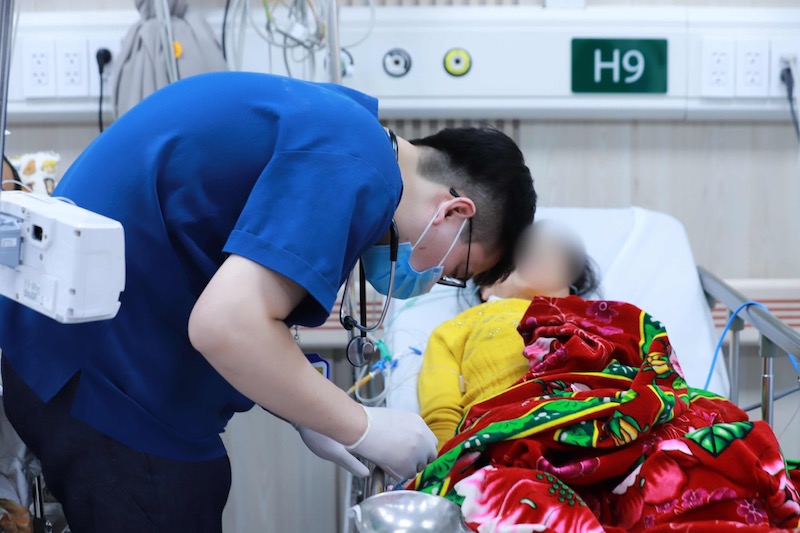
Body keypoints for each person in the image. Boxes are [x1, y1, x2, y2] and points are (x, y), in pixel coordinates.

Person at [0, 72, 536, 532]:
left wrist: (309, 402)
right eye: (454, 271)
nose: (431, 278)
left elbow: (227, 280)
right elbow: (227, 323)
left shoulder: (345, 129)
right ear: (453, 212)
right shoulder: (355, 164)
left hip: (83, 352)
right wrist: (360, 425)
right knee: (184, 492)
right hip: (101, 378)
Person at [419, 221, 598, 446]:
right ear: (486, 287)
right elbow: (441, 410)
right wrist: (444, 461)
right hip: (497, 439)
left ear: (568, 288)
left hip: (587, 431)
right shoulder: (459, 327)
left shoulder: (592, 321)